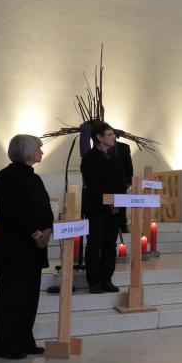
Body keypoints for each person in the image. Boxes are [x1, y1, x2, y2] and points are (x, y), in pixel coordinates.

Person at [0, 134, 54, 359]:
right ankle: (7, 345)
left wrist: (48, 229)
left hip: (34, 248)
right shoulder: (7, 176)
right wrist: (36, 232)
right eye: (38, 148)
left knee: (29, 297)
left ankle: (25, 339)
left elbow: (45, 207)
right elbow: (13, 211)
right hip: (14, 247)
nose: (41, 152)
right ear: (26, 150)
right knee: (12, 297)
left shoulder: (34, 178)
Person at [81, 121, 127, 294]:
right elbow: (92, 184)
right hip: (97, 208)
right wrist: (109, 198)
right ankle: (94, 281)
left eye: (113, 134)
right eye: (110, 134)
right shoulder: (89, 158)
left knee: (110, 244)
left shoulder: (115, 157)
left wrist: (118, 198)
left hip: (114, 209)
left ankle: (107, 278)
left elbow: (122, 180)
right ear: (99, 138)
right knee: (95, 243)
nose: (113, 137)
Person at [109, 131, 133, 233]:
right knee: (109, 202)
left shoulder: (124, 147)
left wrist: (128, 181)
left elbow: (129, 165)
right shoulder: (103, 147)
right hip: (108, 181)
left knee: (122, 203)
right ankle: (110, 224)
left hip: (121, 181)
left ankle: (122, 224)